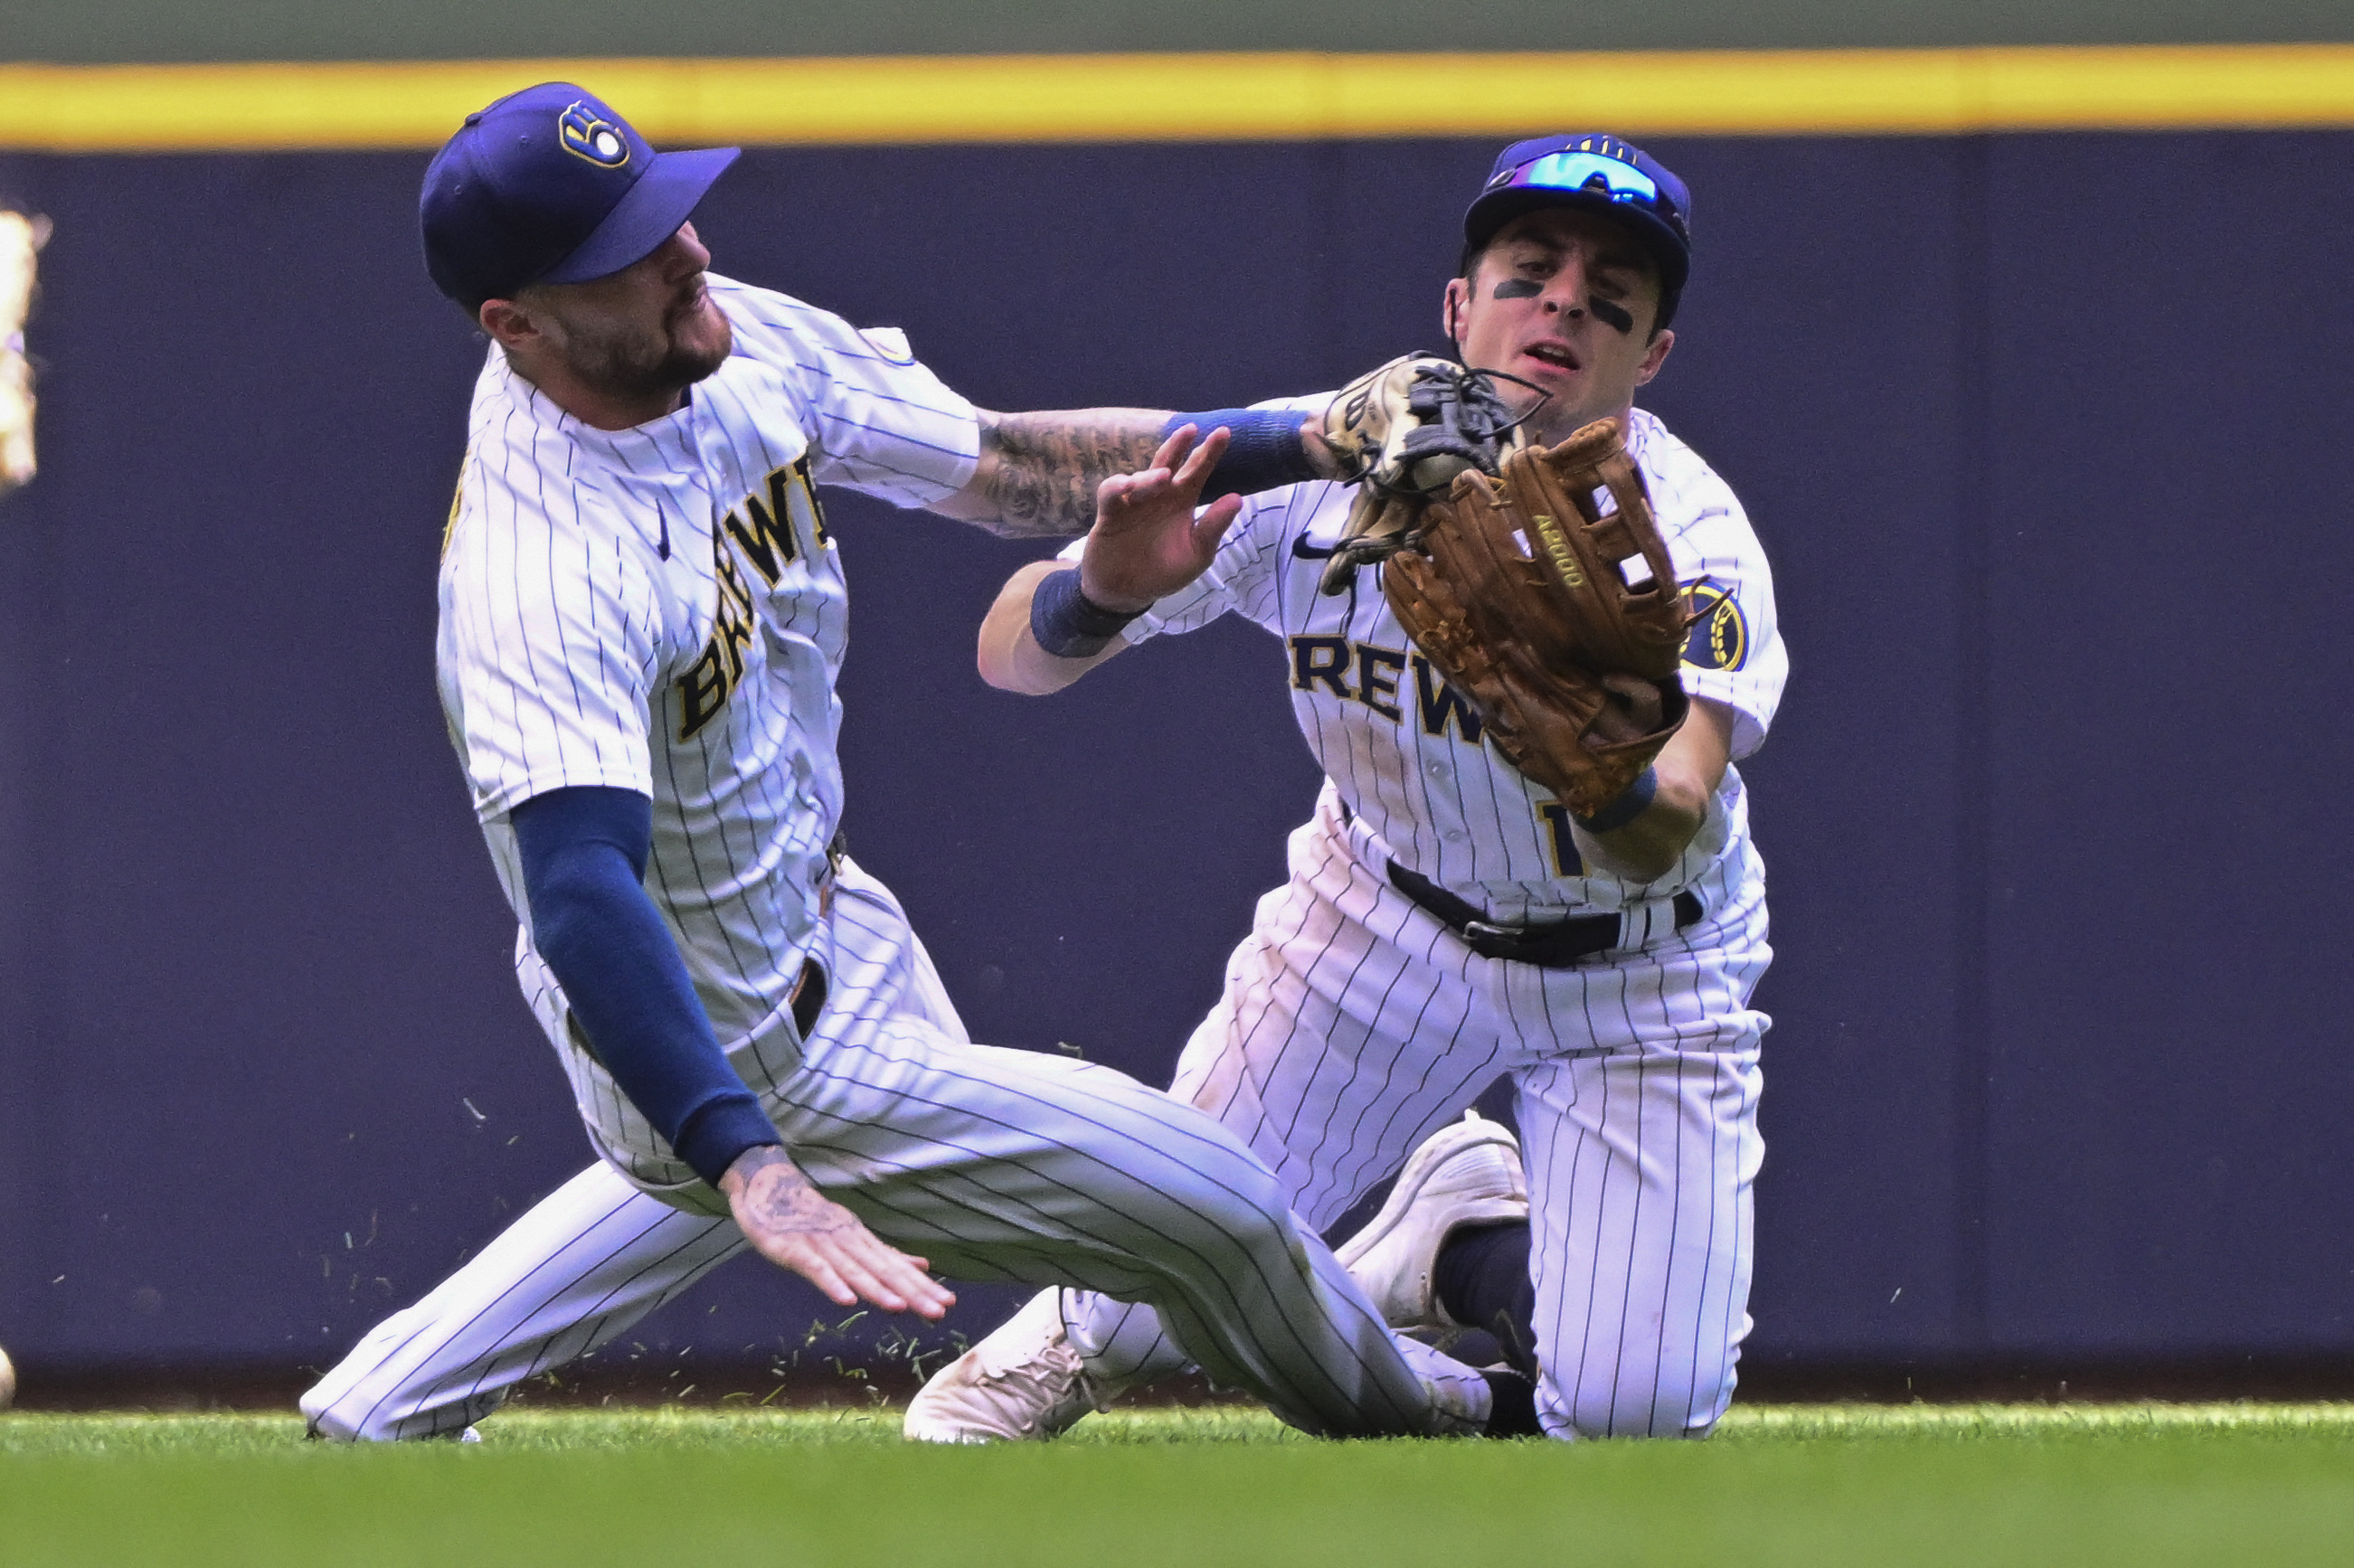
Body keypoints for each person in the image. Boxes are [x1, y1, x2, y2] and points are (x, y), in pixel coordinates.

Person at [305, 81, 1519, 1443]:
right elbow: (584, 889)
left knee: (694, 1180)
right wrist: (750, 1157)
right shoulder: (539, 567)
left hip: (820, 920)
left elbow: (1003, 465)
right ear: (518, 324)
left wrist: (1308, 433)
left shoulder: (722, 339)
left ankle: (376, 1408)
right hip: (743, 1040)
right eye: (627, 253)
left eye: (667, 210)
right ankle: (1454, 1413)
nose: (688, 251)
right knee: (1217, 1205)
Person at [906, 133, 1785, 1443]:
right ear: (1456, 308)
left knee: (1634, 1420)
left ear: (1649, 355)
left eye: (1612, 296)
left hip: (1638, 979)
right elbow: (1008, 657)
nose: (1562, 307)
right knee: (1108, 1326)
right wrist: (1100, 592)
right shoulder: (1318, 469)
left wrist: (1582, 755)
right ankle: (1420, 1296)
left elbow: (1670, 823)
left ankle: (1467, 1258)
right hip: (1378, 932)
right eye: (1530, 272)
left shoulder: (1690, 535)